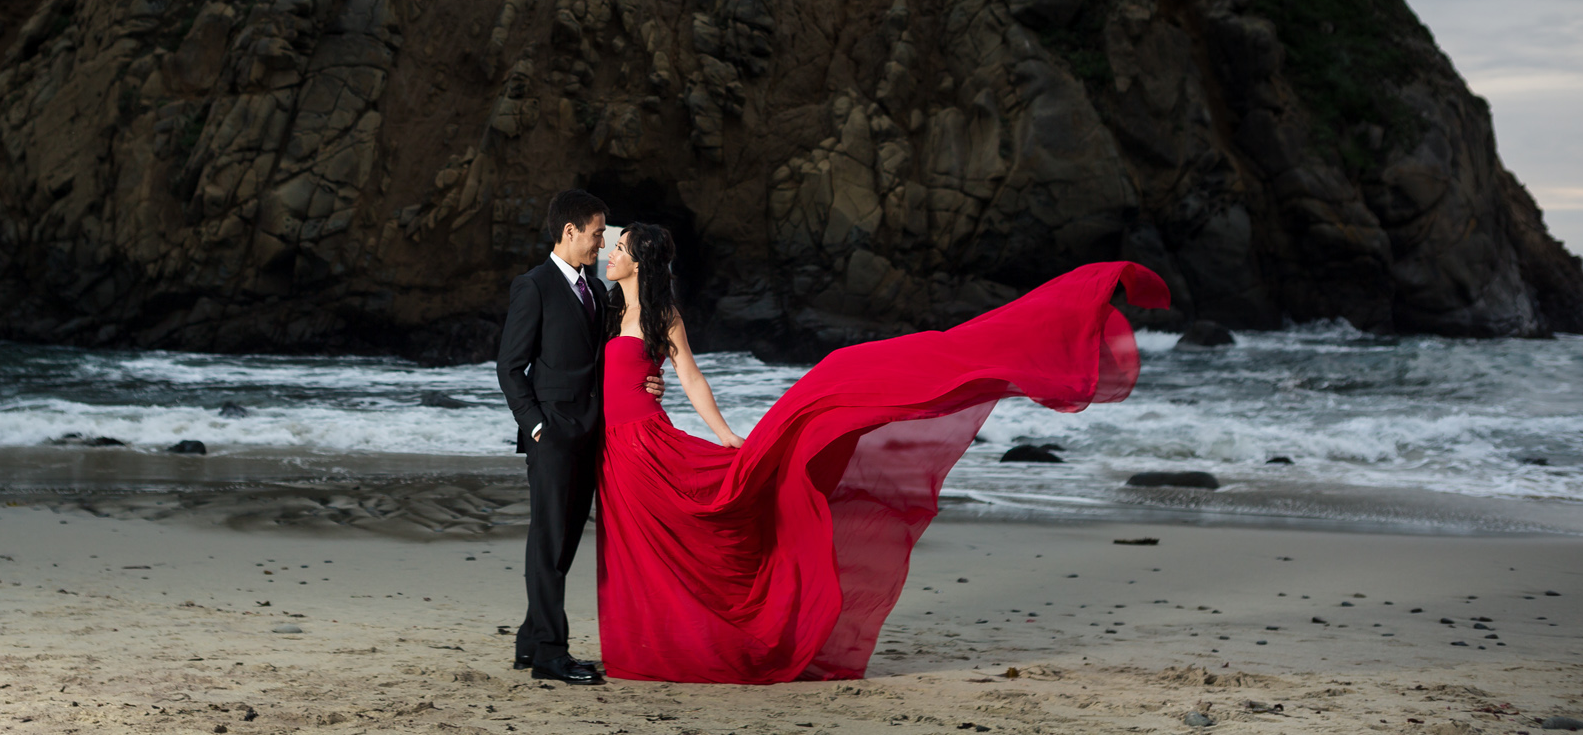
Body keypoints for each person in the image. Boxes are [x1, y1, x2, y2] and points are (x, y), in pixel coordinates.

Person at [593, 222, 1168, 684]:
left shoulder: (662, 317)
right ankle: (649, 647)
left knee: (683, 536)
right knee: (638, 549)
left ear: (639, 260)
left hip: (645, 444)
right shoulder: (605, 309)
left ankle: (684, 648)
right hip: (614, 447)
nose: (609, 254)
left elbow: (690, 378)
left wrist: (724, 435)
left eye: (618, 247)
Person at [494, 188, 659, 685]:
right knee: (548, 544)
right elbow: (509, 366)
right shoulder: (534, 286)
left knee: (562, 544)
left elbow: (613, 355)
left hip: (593, 436)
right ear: (570, 232)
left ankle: (530, 640)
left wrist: (648, 378)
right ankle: (549, 653)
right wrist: (537, 425)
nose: (602, 244)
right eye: (596, 234)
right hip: (553, 437)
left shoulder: (596, 290)